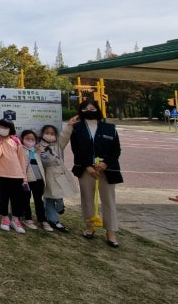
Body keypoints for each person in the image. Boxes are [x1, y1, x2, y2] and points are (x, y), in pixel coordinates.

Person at [63, 99, 122, 247]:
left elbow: (116, 150)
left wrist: (104, 163)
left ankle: (111, 232)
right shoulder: (78, 128)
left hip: (107, 169)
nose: (89, 110)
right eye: (85, 109)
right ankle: (90, 226)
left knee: (108, 200)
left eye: (92, 108)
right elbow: (76, 150)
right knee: (87, 199)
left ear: (97, 109)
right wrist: (88, 166)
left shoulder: (109, 128)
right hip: (85, 169)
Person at [38, 124, 77, 233]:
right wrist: (42, 151)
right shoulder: (39, 146)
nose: (49, 135)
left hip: (60, 175)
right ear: (42, 134)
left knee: (59, 196)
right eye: (47, 133)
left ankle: (59, 208)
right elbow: (45, 161)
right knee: (49, 197)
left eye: (52, 133)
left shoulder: (57, 144)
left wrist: (70, 125)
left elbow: (65, 135)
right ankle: (53, 220)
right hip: (48, 176)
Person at [0, 119, 28, 234]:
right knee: (3, 198)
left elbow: (21, 159)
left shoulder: (16, 141)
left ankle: (16, 219)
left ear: (10, 129)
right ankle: (5, 218)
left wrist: (24, 177)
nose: (3, 129)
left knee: (17, 198)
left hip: (16, 175)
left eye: (6, 127)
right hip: (2, 174)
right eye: (1, 126)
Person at [19, 130, 47, 231]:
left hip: (39, 179)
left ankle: (42, 219)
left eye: (32, 139)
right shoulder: (20, 149)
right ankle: (27, 218)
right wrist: (23, 178)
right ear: (22, 139)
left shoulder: (37, 150)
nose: (30, 141)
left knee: (39, 200)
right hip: (27, 180)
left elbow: (45, 160)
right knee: (25, 199)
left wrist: (42, 151)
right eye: (27, 139)